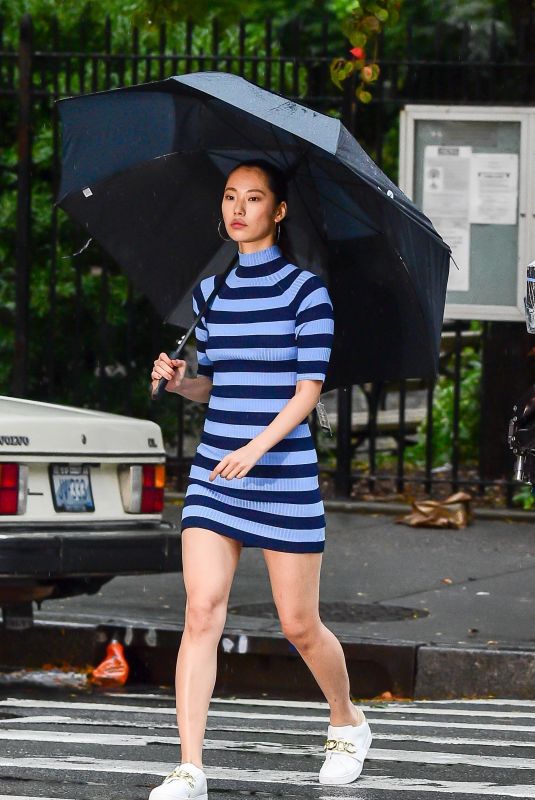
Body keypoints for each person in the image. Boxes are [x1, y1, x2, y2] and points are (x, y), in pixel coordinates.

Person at [148, 159, 372, 799]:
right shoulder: (210, 294)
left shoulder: (308, 294)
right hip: (218, 472)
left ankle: (347, 719)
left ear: (278, 212)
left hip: (282, 475)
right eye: (229, 197)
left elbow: (307, 394)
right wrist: (179, 378)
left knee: (300, 623)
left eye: (253, 199)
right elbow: (214, 385)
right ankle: (190, 767)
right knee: (200, 612)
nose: (237, 208)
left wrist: (258, 447)